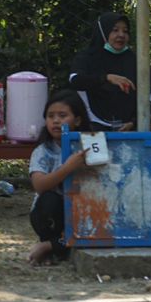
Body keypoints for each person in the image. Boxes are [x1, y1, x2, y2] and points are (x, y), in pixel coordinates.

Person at [26, 92, 93, 265]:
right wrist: (68, 167)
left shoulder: (89, 146)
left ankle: (50, 247)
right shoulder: (43, 151)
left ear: (77, 120)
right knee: (49, 199)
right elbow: (39, 185)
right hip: (52, 215)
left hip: (82, 212)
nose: (56, 121)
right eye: (50, 116)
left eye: (62, 116)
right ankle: (52, 242)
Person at [69, 12, 139, 130]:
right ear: (103, 31)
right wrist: (106, 78)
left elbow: (146, 93)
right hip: (93, 126)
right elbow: (75, 80)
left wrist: (134, 122)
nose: (121, 35)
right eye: (115, 30)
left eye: (125, 31)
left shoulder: (133, 59)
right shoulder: (87, 57)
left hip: (128, 128)